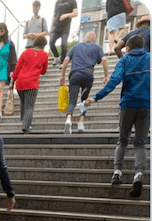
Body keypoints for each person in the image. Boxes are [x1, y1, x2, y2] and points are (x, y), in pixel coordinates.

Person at [85, 34, 150, 197]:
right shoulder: (149, 58)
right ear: (143, 47)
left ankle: (117, 173)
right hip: (145, 105)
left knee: (122, 139)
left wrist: (95, 97)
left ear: (127, 49)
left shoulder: (124, 60)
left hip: (127, 104)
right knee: (140, 143)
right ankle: (139, 174)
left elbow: (113, 80)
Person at [59, 31, 109, 133]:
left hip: (75, 75)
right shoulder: (97, 47)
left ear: (84, 39)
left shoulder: (76, 47)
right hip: (88, 76)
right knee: (84, 100)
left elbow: (65, 61)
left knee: (72, 100)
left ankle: (68, 120)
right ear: (93, 39)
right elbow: (104, 60)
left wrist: (62, 76)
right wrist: (106, 75)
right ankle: (81, 123)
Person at [12, 36, 49, 133]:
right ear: (43, 45)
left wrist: (12, 81)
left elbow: (17, 68)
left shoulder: (25, 52)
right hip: (32, 84)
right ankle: (25, 126)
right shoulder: (44, 55)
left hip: (20, 83)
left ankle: (24, 120)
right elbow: (44, 71)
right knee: (29, 106)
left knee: (24, 102)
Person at [49, 0, 78, 66]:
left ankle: (62, 62)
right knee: (51, 42)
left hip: (65, 27)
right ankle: (56, 57)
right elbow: (54, 14)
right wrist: (51, 27)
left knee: (64, 44)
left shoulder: (72, 1)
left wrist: (66, 15)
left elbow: (75, 13)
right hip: (56, 26)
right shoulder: (58, 2)